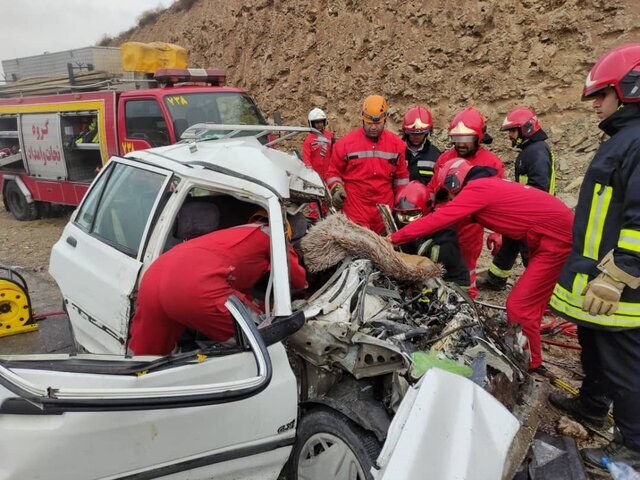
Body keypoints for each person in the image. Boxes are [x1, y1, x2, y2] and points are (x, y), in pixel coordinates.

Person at [387, 158, 573, 372]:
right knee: (531, 303)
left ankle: (530, 363)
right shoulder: (488, 184)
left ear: (454, 181)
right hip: (552, 234)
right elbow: (515, 210)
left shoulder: (477, 189)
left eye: (448, 193)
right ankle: (530, 349)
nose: (451, 198)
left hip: (555, 241)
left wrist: (392, 239)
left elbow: (442, 218)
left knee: (519, 307)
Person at [548, 44, 640, 469]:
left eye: (601, 96)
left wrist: (620, 275)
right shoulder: (623, 141)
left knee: (625, 367)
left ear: (629, 90)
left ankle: (634, 450)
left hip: (619, 287)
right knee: (594, 349)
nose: (595, 106)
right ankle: (591, 406)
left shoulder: (636, 143)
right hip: (595, 278)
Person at [128, 212, 308, 355]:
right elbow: (297, 279)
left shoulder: (232, 235)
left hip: (154, 275)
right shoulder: (272, 235)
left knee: (147, 359)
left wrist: (259, 304)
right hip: (197, 286)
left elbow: (237, 287)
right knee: (258, 340)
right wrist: (306, 287)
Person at [427, 107, 504, 297]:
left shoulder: (491, 163)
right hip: (443, 226)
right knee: (439, 269)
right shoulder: (445, 158)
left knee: (466, 271)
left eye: (466, 139)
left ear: (478, 136)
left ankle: (468, 306)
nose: (460, 144)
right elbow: (431, 189)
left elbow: (500, 202)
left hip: (470, 229)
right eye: (457, 139)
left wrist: (498, 231)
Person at [480, 107, 557, 291]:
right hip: (527, 211)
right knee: (510, 242)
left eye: (513, 131)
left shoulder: (536, 152)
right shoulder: (530, 150)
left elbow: (539, 187)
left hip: (535, 214)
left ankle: (540, 292)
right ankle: (496, 279)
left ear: (527, 128)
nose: (510, 136)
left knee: (531, 253)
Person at [326, 95, 409, 234]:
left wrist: (402, 206)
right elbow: (332, 173)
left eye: (377, 124)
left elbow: (401, 179)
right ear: (362, 119)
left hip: (384, 215)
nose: (373, 127)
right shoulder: (345, 144)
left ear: (385, 120)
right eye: (369, 123)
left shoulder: (397, 145)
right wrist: (336, 188)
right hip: (355, 212)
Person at [394, 180, 470, 288]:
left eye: (412, 215)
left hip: (452, 283)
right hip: (424, 279)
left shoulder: (443, 226)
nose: (406, 220)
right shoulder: (399, 225)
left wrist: (416, 242)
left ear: (427, 209)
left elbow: (442, 259)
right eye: (402, 214)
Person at [401, 105, 441, 185]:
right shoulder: (397, 152)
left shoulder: (435, 155)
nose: (417, 137)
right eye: (412, 134)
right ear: (406, 132)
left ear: (427, 133)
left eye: (421, 133)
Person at [302, 107, 334, 181]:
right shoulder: (308, 139)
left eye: (321, 122)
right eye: (316, 122)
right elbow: (306, 158)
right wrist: (311, 175)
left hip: (328, 174)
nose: (319, 124)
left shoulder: (330, 136)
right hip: (316, 176)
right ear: (312, 124)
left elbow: (334, 153)